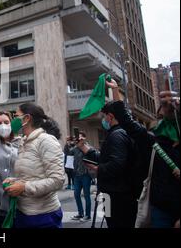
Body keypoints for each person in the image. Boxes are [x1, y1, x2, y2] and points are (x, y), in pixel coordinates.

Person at [106, 79, 180, 228]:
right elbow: (128, 122)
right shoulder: (153, 141)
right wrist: (115, 91)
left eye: (170, 109)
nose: (162, 120)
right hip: (160, 210)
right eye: (159, 117)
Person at [76, 101, 138, 228]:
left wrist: (98, 168)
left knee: (115, 223)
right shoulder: (119, 133)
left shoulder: (117, 135)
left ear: (110, 116)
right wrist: (86, 149)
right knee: (112, 220)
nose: (103, 120)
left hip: (116, 195)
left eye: (104, 117)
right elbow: (106, 158)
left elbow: (117, 164)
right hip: (117, 192)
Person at [3, 103, 65, 228]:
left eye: (16, 116)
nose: (13, 120)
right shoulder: (23, 142)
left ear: (27, 118)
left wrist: (24, 187)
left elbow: (58, 180)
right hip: (23, 214)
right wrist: (15, 181)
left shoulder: (46, 140)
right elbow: (32, 175)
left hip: (44, 216)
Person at [69, 132, 92, 221]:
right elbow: (68, 153)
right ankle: (80, 213)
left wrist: (82, 144)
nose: (78, 139)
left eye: (80, 137)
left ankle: (88, 215)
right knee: (76, 195)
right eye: (77, 137)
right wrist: (69, 143)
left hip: (86, 175)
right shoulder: (75, 148)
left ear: (84, 138)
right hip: (77, 176)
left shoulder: (88, 147)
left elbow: (91, 154)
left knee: (86, 195)